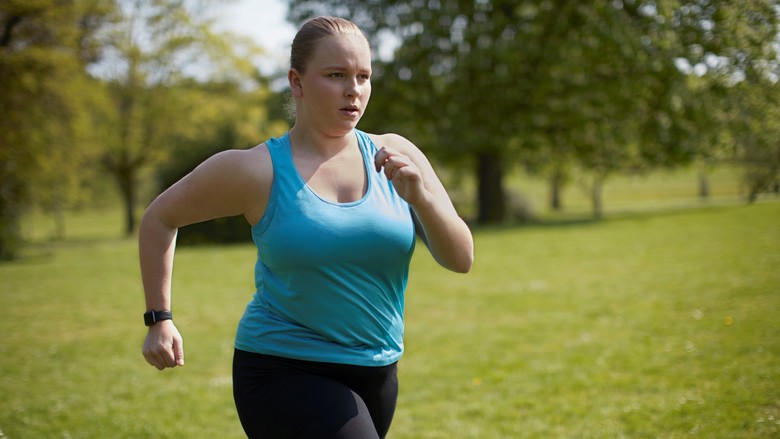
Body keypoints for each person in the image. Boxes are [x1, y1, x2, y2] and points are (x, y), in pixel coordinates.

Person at [139, 16, 474, 439]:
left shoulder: (397, 153)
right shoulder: (256, 170)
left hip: (378, 369)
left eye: (363, 76)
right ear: (296, 82)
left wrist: (421, 197)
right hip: (283, 368)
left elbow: (461, 258)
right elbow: (159, 218)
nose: (354, 89)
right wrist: (159, 318)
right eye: (336, 75)